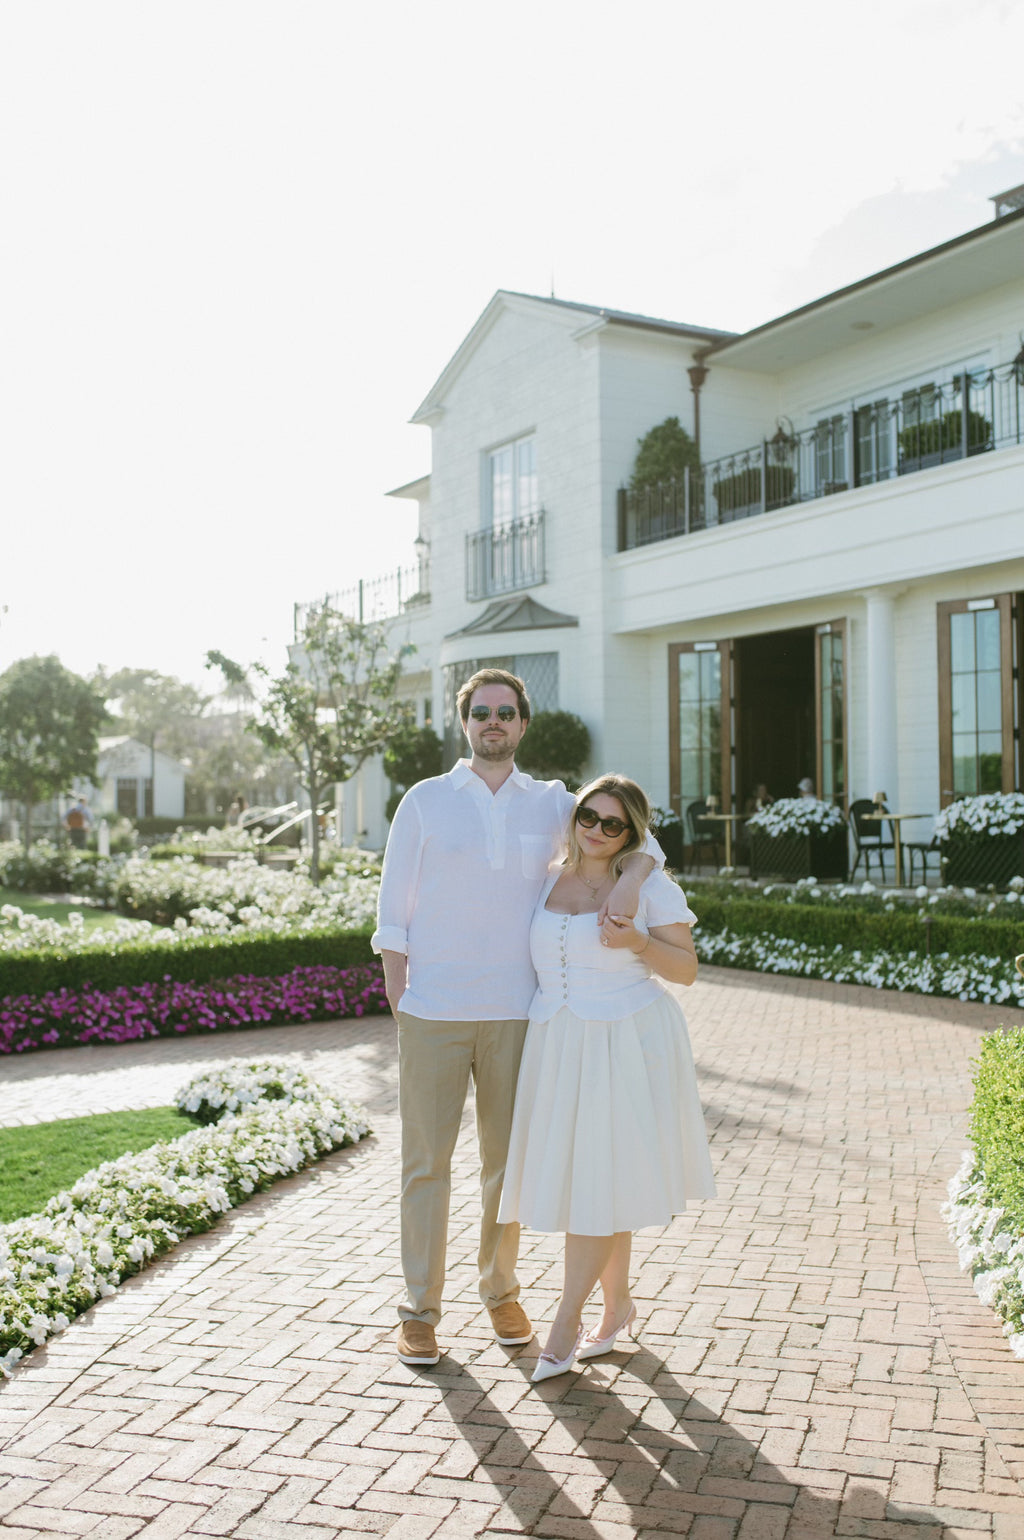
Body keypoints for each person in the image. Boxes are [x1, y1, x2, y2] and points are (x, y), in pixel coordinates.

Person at [372, 669, 664, 1369]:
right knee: (425, 1166)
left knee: (507, 1167)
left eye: (505, 713)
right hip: (435, 1011)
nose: (493, 723)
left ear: (523, 724)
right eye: (481, 713)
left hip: (520, 1014)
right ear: (464, 722)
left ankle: (500, 1289)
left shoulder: (556, 803)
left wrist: (630, 876)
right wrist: (402, 998)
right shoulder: (426, 801)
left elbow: (640, 839)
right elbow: (391, 910)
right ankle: (418, 1307)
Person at [497, 773, 715, 1383]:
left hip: (625, 1039)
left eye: (613, 824)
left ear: (633, 832)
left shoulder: (651, 889)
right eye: (588, 817)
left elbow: (688, 970)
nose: (596, 830)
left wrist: (641, 936)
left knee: (594, 1184)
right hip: (557, 1040)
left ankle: (565, 1325)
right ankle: (617, 1308)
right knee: (597, 1181)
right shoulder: (544, 878)